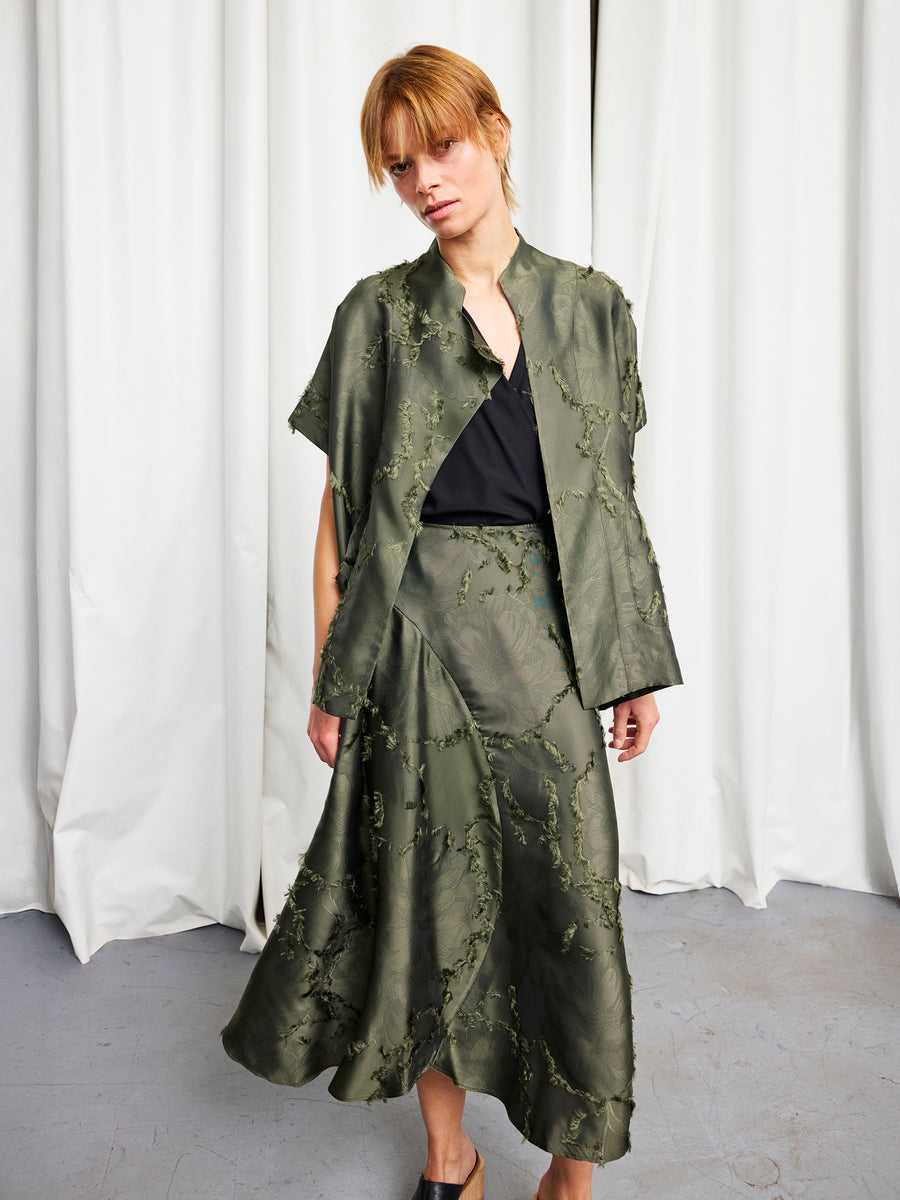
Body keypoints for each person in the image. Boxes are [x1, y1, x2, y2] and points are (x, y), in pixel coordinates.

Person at [223, 44, 682, 1200]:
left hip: (553, 648)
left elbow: (611, 504)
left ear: (497, 129)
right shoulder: (377, 316)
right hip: (415, 652)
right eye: (399, 164)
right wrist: (336, 681)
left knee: (573, 907)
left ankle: (571, 1169)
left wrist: (631, 668)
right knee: (424, 918)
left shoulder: (592, 308)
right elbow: (340, 519)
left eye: (444, 146)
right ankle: (450, 1159)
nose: (426, 178)